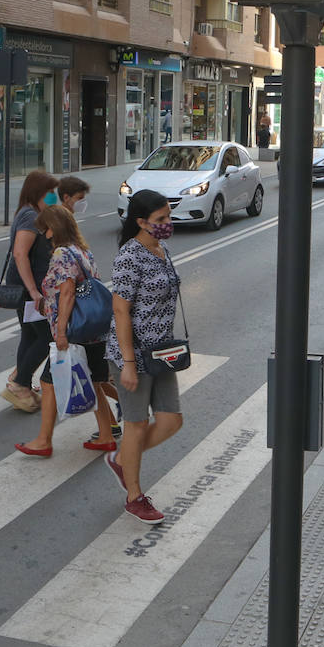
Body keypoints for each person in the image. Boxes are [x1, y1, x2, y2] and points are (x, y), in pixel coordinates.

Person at [104, 190, 185, 526]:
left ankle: (122, 458)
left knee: (171, 421)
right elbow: (120, 310)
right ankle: (134, 496)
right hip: (134, 354)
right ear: (141, 222)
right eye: (161, 220)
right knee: (135, 426)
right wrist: (129, 363)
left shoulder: (161, 249)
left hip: (162, 352)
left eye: (168, 217)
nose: (168, 224)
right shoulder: (129, 257)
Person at [14, 205, 120, 458]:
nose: (45, 235)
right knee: (94, 382)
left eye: (46, 229)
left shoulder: (62, 253)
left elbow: (68, 293)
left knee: (46, 382)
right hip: (94, 329)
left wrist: (61, 332)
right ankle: (106, 436)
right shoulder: (82, 250)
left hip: (75, 330)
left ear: (55, 228)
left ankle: (43, 441)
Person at [3, 171, 59, 413]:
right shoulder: (30, 217)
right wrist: (34, 291)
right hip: (29, 289)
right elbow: (19, 254)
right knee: (47, 337)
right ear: (38, 192)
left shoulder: (28, 212)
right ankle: (19, 383)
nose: (53, 197)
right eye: (50, 192)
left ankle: (23, 385)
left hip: (25, 287)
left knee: (29, 335)